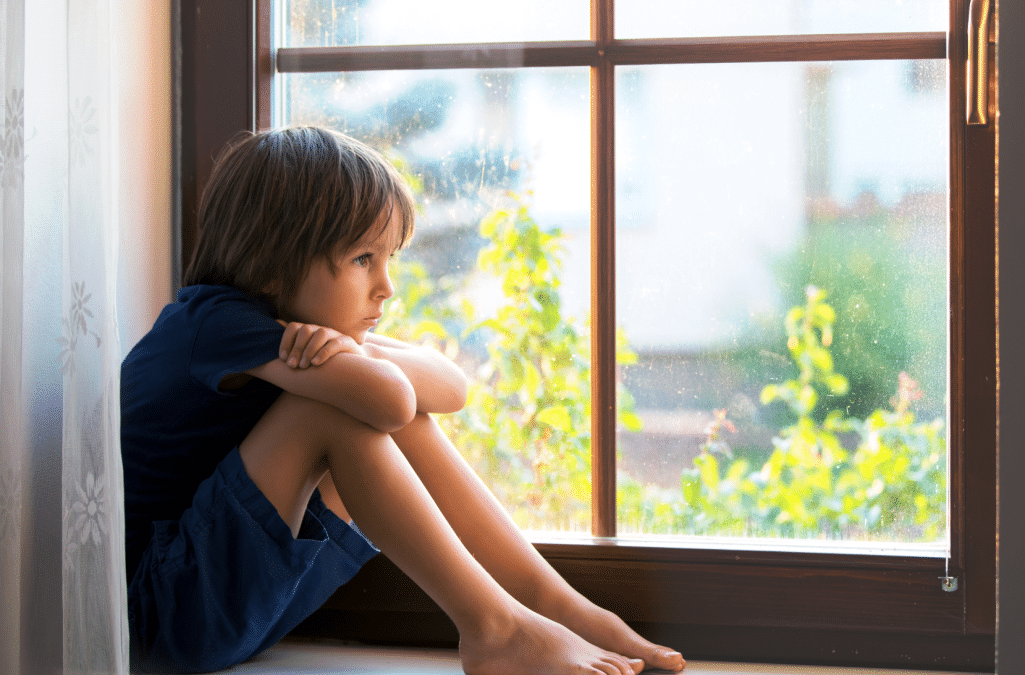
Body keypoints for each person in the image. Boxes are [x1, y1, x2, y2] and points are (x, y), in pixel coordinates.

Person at [122, 126, 687, 675]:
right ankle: (496, 629)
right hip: (164, 612)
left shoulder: (305, 332)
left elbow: (450, 387)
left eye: (389, 258)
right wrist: (358, 358)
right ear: (272, 261)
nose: (386, 286)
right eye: (363, 259)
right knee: (337, 408)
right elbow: (390, 401)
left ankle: (552, 603)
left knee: (375, 401)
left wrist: (353, 350)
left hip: (231, 607)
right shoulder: (214, 322)